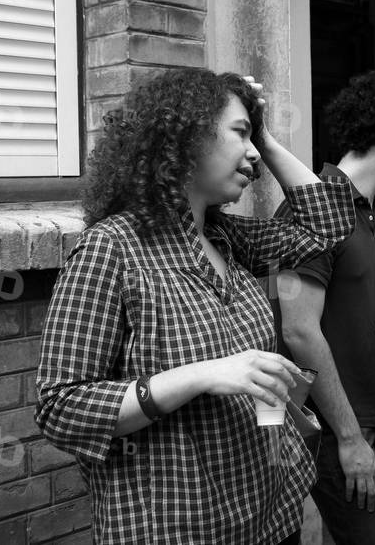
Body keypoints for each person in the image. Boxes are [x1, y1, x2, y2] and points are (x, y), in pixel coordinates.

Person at [35, 69, 354, 544]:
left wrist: (262, 132)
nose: (254, 156)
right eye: (239, 133)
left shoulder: (227, 239)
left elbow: (327, 224)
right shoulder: (113, 249)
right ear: (187, 134)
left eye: (254, 138)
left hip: (270, 519)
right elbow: (61, 407)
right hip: (179, 528)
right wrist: (204, 373)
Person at [274, 68, 375, 543]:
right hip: (340, 429)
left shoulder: (364, 209)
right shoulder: (313, 210)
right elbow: (298, 331)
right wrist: (346, 437)